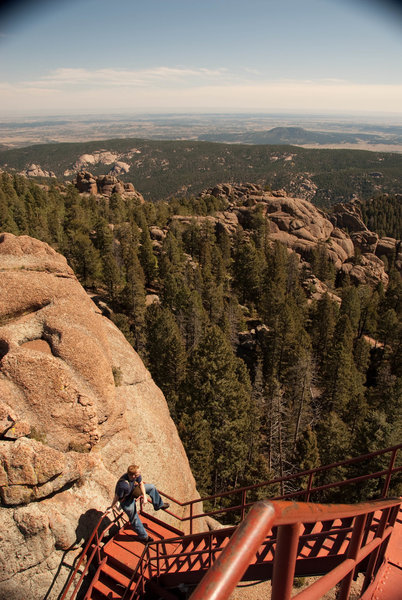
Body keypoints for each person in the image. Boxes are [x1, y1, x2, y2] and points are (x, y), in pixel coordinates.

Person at [107, 464, 169, 543]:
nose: (139, 475)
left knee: (151, 487)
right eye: (137, 474)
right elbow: (117, 497)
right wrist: (111, 507)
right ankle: (144, 537)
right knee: (134, 518)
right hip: (126, 500)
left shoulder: (136, 475)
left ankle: (158, 504)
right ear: (132, 475)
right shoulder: (123, 485)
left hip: (132, 490)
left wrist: (144, 496)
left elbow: (141, 484)